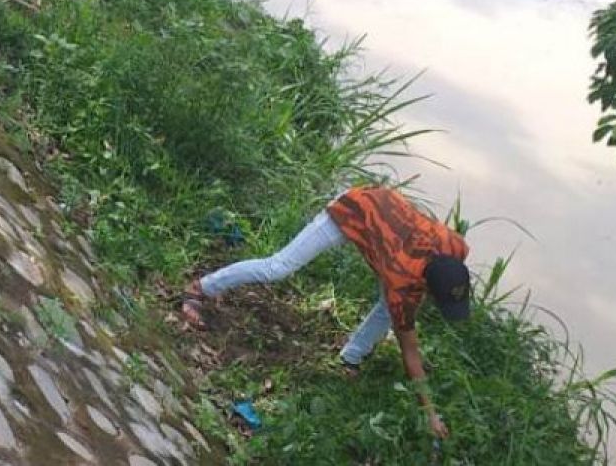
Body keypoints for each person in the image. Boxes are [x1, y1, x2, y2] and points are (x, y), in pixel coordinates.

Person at [181, 185, 471, 440]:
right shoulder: (402, 279)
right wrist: (430, 413)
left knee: (387, 308)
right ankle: (199, 288)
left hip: (383, 213)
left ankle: (351, 358)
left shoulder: (455, 247)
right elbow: (410, 351)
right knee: (278, 267)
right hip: (353, 207)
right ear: (428, 289)